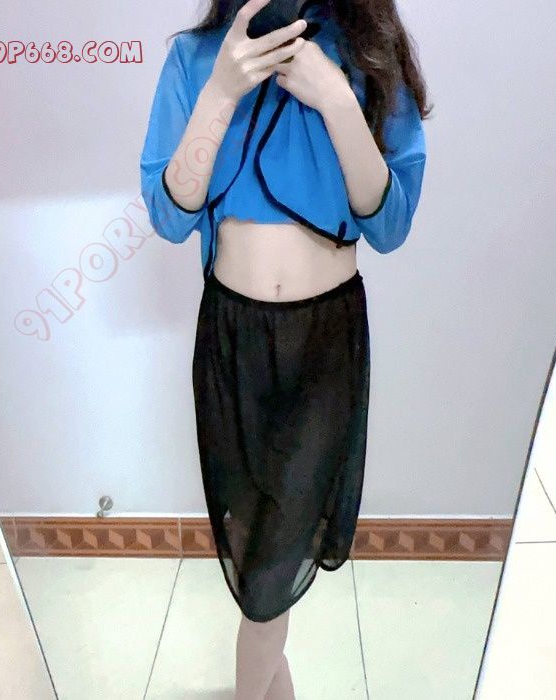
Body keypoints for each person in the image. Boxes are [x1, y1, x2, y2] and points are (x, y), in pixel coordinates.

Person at [140, 0, 430, 697]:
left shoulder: (369, 53)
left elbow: (390, 225)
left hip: (324, 343)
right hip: (230, 338)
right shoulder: (195, 58)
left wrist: (336, 99)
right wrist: (221, 92)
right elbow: (169, 214)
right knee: (255, 551)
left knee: (269, 575)